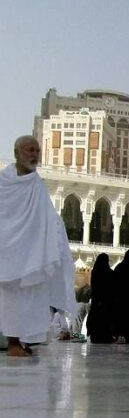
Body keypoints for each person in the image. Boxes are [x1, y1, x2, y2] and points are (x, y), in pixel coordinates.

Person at [0, 136, 76, 356]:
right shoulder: (3, 182)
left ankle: (23, 340)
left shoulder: (37, 184)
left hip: (30, 251)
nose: (34, 155)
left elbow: (47, 217)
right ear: (17, 152)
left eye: (37, 150)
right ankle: (13, 343)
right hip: (7, 251)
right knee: (10, 299)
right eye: (29, 150)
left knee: (30, 298)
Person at [86, 253, 117, 343]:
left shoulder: (95, 271)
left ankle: (95, 336)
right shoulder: (110, 272)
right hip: (107, 302)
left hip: (96, 301)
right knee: (105, 320)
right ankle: (106, 336)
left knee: (96, 319)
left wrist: (98, 299)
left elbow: (95, 286)